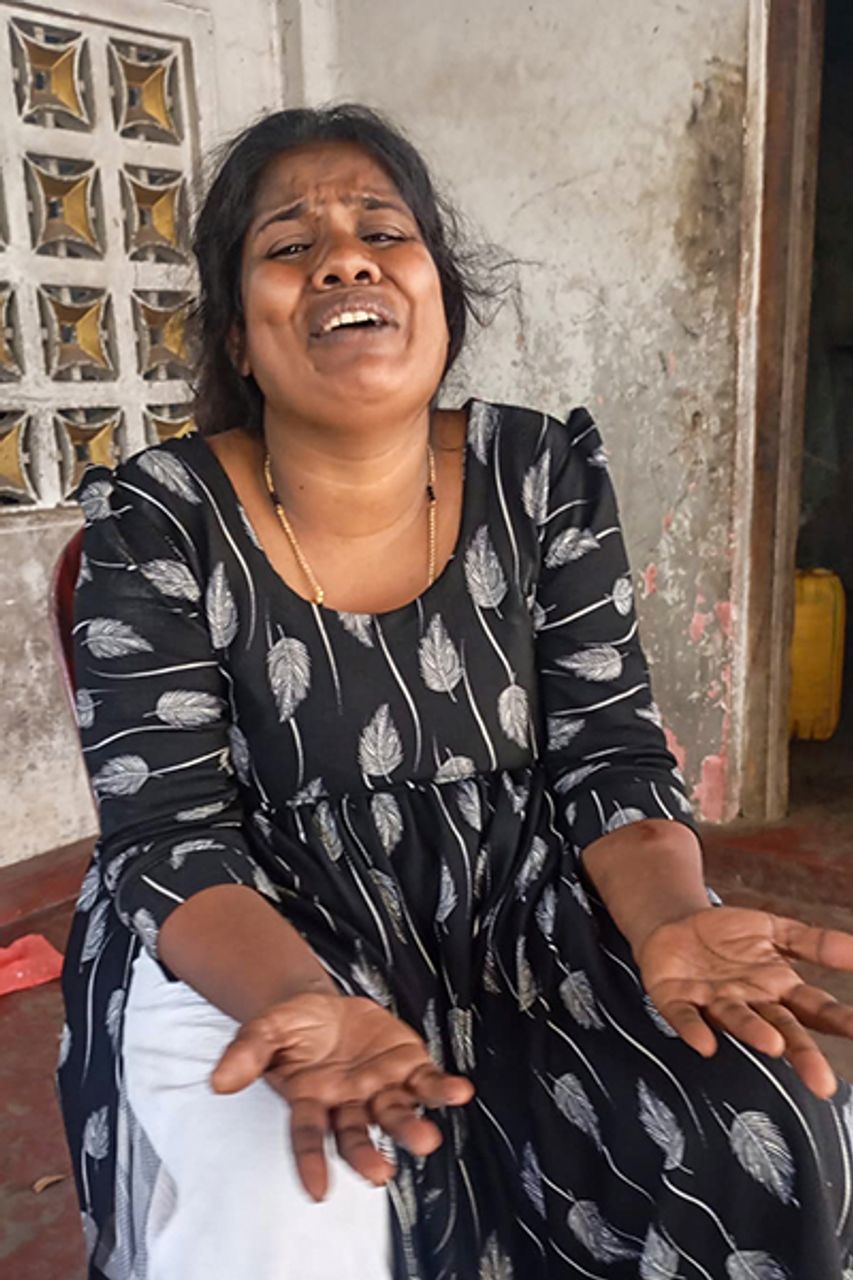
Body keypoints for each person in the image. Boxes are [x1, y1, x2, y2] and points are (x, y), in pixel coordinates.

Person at [58, 103, 853, 1280]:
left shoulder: (539, 473)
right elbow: (169, 834)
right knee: (299, 1212)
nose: (345, 258)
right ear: (237, 337)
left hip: (525, 907)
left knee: (768, 1119)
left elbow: (611, 757)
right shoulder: (156, 520)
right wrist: (296, 995)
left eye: (384, 230)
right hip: (251, 928)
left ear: (440, 298)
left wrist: (667, 916)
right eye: (289, 245)